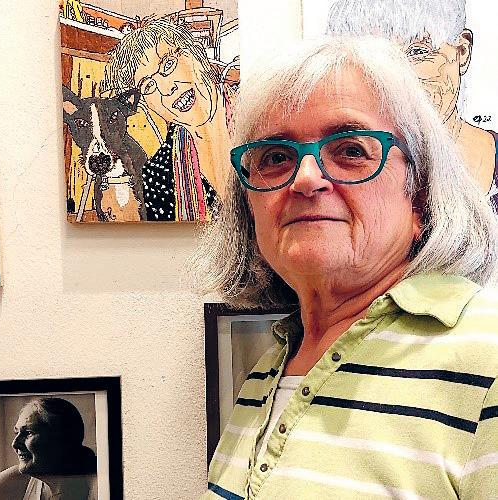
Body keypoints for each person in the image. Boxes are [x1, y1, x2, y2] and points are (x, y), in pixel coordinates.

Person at [193, 37, 498, 499]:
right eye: (275, 157)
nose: (305, 178)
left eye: (351, 150)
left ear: (420, 194)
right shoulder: (270, 366)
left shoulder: (489, 359)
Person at [326, 0, 498, 206]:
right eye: (374, 60)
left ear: (462, 51)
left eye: (418, 52)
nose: (398, 77)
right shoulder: (332, 173)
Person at [102, 19, 235, 221]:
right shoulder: (156, 178)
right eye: (148, 86)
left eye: (168, 64)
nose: (167, 89)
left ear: (195, 54)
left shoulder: (260, 116)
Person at [0, 398, 97, 500]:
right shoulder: (18, 479)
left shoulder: (99, 485)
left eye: (28, 433)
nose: (14, 444)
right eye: (16, 432)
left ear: (61, 438)